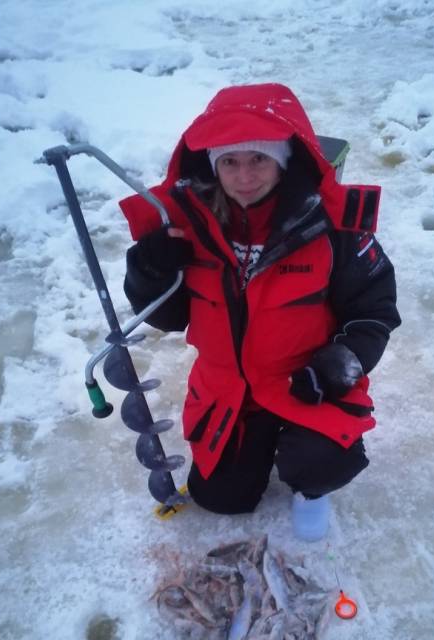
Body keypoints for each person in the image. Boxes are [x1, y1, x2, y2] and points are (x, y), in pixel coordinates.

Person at [120, 83, 401, 540]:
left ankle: (311, 486)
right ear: (213, 164)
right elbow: (168, 318)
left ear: (283, 160)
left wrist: (334, 369)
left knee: (322, 460)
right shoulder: (185, 225)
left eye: (259, 159)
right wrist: (150, 269)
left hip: (306, 384)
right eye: (229, 161)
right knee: (219, 499)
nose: (244, 176)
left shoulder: (334, 226)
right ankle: (252, 447)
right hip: (227, 389)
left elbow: (373, 311)